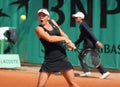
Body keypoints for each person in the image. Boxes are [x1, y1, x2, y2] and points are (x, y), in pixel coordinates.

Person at [35, 8, 79, 87]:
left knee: (72, 84)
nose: (41, 17)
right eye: (39, 16)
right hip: (50, 60)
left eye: (44, 15)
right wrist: (64, 39)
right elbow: (50, 38)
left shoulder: (53, 22)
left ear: (48, 17)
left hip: (62, 58)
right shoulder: (38, 29)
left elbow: (63, 34)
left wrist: (69, 42)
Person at [72, 11, 110, 79]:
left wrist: (97, 42)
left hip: (89, 44)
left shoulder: (83, 24)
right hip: (91, 44)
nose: (75, 19)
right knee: (89, 58)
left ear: (80, 18)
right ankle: (90, 71)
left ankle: (103, 72)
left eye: (76, 17)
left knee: (85, 57)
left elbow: (90, 32)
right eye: (75, 17)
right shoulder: (82, 25)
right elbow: (81, 37)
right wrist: (74, 44)